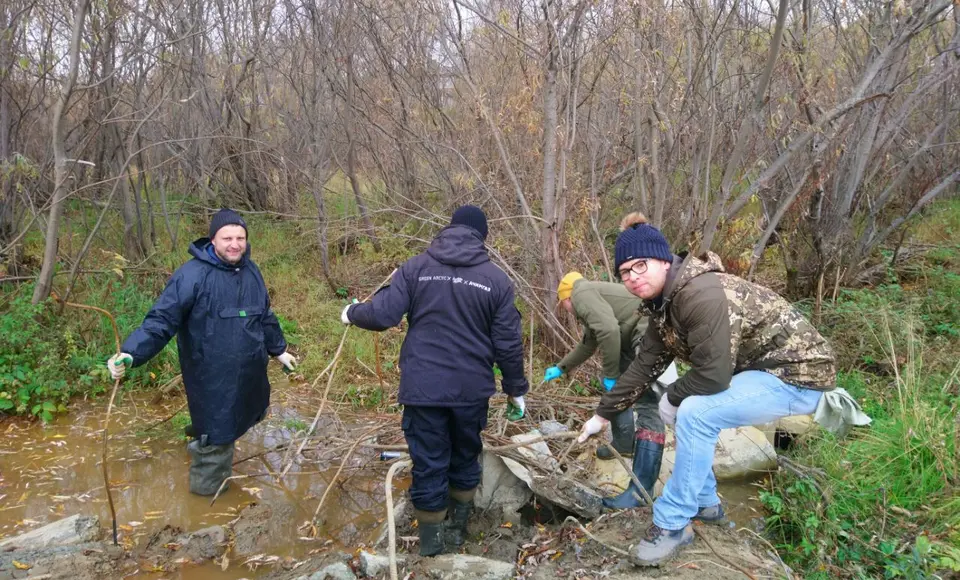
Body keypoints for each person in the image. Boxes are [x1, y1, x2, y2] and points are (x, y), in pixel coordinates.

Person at [578, 212, 839, 566]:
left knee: (695, 412)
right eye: (625, 272)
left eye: (641, 266)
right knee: (691, 409)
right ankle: (706, 502)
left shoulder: (701, 295)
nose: (633, 277)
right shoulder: (663, 306)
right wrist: (601, 415)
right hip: (761, 371)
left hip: (797, 375)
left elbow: (714, 376)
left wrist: (671, 397)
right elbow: (643, 366)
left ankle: (673, 524)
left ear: (663, 260)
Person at [342, 205, 528, 557]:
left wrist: (350, 312)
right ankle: (457, 526)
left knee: (428, 460)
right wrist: (515, 390)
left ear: (449, 230)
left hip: (423, 388)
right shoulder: (496, 280)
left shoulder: (415, 268)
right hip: (470, 390)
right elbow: (508, 344)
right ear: (482, 237)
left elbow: (382, 314)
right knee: (465, 452)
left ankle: (431, 543)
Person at [105, 209, 297, 496]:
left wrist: (278, 350)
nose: (235, 244)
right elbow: (160, 321)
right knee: (216, 431)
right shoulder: (191, 276)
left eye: (240, 238)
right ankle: (209, 505)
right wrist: (131, 353)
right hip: (210, 376)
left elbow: (264, 314)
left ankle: (203, 447)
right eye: (228, 238)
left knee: (237, 420)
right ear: (213, 239)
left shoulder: (251, 270)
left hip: (249, 372)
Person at [544, 273, 676, 510]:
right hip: (634, 337)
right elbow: (589, 343)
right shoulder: (592, 297)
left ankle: (641, 491)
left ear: (566, 297)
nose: (566, 310)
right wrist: (561, 367)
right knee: (621, 393)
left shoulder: (580, 292)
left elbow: (609, 332)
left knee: (647, 403)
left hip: (647, 336)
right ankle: (624, 444)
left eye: (563, 305)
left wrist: (611, 374)